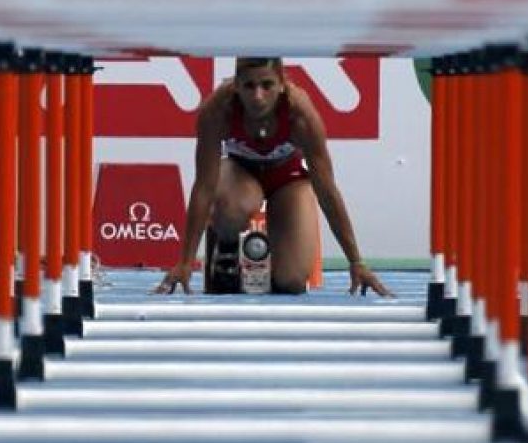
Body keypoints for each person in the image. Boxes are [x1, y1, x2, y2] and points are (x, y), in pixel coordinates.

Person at [155, 57, 393, 296]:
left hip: (288, 178)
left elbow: (327, 191)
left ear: (282, 83)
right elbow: (204, 188)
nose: (258, 96)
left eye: (266, 85)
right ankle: (225, 249)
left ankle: (280, 260)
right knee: (232, 206)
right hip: (240, 173)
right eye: (249, 86)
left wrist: (356, 262)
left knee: (290, 282)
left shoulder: (300, 115)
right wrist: (185, 262)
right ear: (236, 85)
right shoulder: (218, 110)